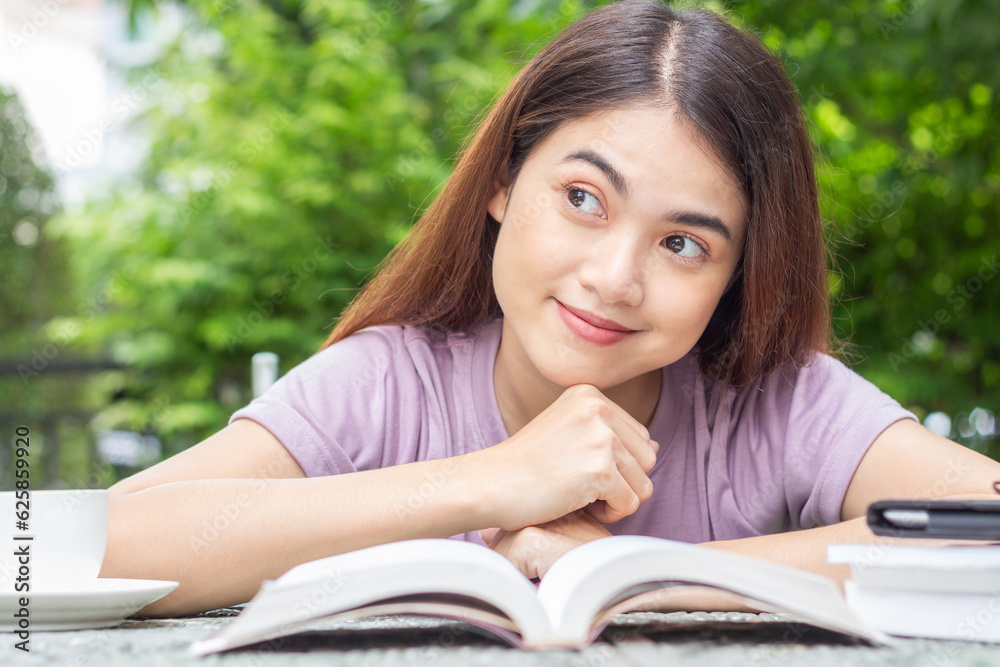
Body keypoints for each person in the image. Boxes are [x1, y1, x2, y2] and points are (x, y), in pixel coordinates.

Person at [101, 0, 1000, 617]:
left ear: (737, 274)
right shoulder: (386, 384)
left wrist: (637, 573)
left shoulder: (772, 400)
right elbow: (84, 546)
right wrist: (491, 479)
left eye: (684, 244)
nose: (614, 277)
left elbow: (988, 524)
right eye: (582, 199)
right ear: (502, 181)